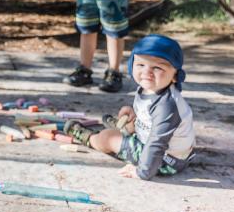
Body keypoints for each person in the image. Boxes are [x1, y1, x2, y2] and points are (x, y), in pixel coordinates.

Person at [64, 35, 196, 180]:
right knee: (131, 124)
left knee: (108, 137)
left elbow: (157, 143)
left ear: (175, 76)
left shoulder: (167, 106)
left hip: (165, 160)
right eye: (141, 65)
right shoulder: (153, 87)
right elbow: (149, 112)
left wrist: (142, 172)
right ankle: (125, 128)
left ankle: (90, 138)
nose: (147, 72)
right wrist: (135, 113)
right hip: (160, 147)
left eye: (157, 67)